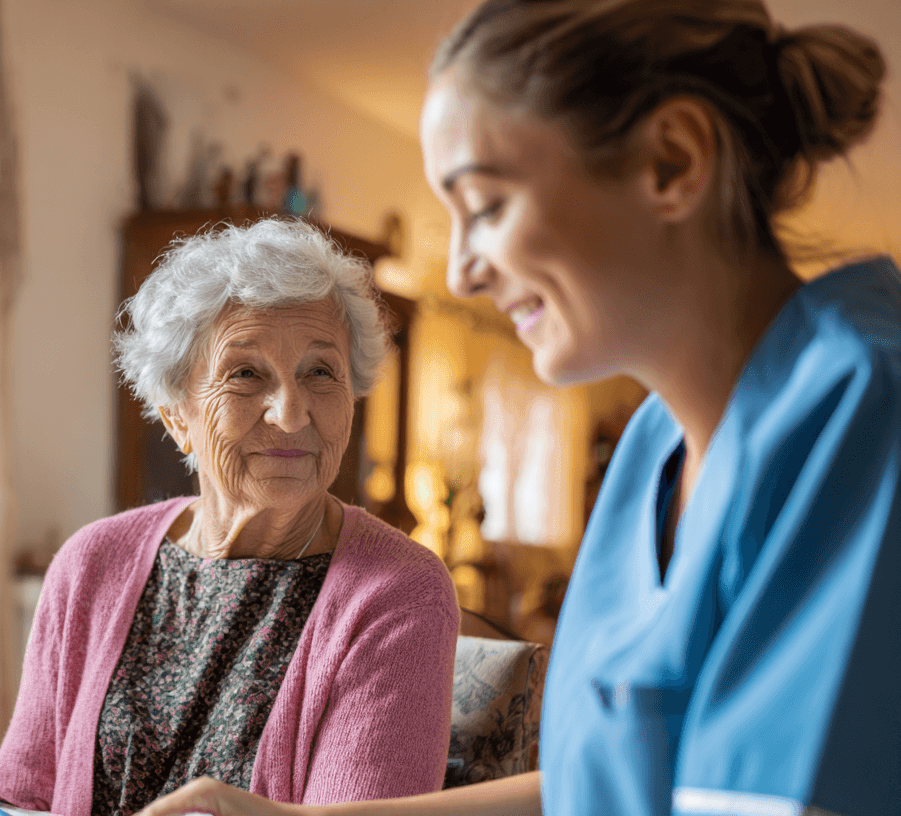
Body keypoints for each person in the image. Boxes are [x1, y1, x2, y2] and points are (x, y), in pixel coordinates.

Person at [135, 1, 898, 815]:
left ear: (673, 163)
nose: (462, 273)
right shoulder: (654, 444)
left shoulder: (865, 415)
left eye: (488, 205)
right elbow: (605, 786)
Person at [0, 219, 459, 816]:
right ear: (176, 413)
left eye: (320, 372)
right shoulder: (92, 562)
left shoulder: (397, 593)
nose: (290, 413)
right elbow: (17, 797)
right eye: (246, 374)